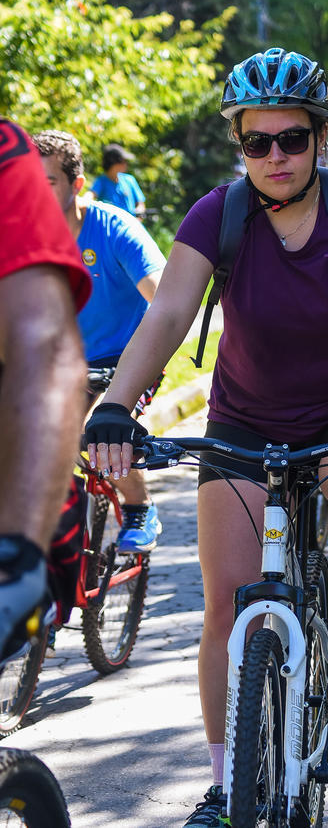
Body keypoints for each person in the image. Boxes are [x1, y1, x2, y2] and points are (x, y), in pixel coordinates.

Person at [83, 47, 328, 827]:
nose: (275, 157)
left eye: (290, 139)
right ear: (240, 145)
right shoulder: (215, 215)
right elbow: (165, 315)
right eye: (256, 142)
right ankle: (227, 788)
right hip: (247, 415)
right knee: (228, 606)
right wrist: (117, 405)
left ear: (319, 138)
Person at [33, 130, 166, 554]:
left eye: (46, 182)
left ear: (76, 185)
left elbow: (163, 299)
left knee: (96, 428)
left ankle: (139, 506)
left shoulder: (114, 228)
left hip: (127, 357)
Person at [0, 119, 91, 662]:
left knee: (109, 441)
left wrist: (17, 552)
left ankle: (136, 508)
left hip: (101, 356)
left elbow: (48, 349)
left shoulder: (6, 155)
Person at [91, 142, 146, 218]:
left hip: (130, 224)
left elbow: (140, 204)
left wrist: (139, 214)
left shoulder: (129, 180)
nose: (126, 164)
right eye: (123, 161)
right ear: (113, 163)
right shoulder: (101, 181)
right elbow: (89, 196)